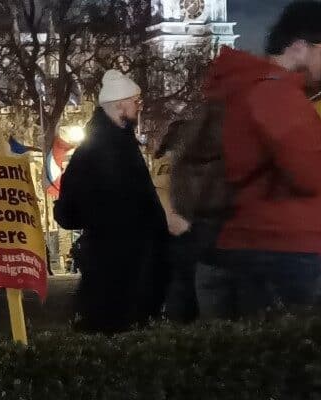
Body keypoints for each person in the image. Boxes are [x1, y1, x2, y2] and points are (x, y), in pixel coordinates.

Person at [194, 2, 321, 319]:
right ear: (301, 47)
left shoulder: (245, 85)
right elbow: (310, 175)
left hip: (254, 242)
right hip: (286, 248)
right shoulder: (276, 94)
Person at [54, 69, 169, 334]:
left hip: (120, 259)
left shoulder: (113, 144)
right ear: (119, 105)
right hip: (118, 264)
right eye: (135, 102)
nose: (139, 108)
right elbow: (69, 209)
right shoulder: (105, 148)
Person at [154, 121, 201, 323]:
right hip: (180, 236)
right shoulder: (175, 166)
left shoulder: (160, 164)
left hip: (166, 238)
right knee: (183, 291)